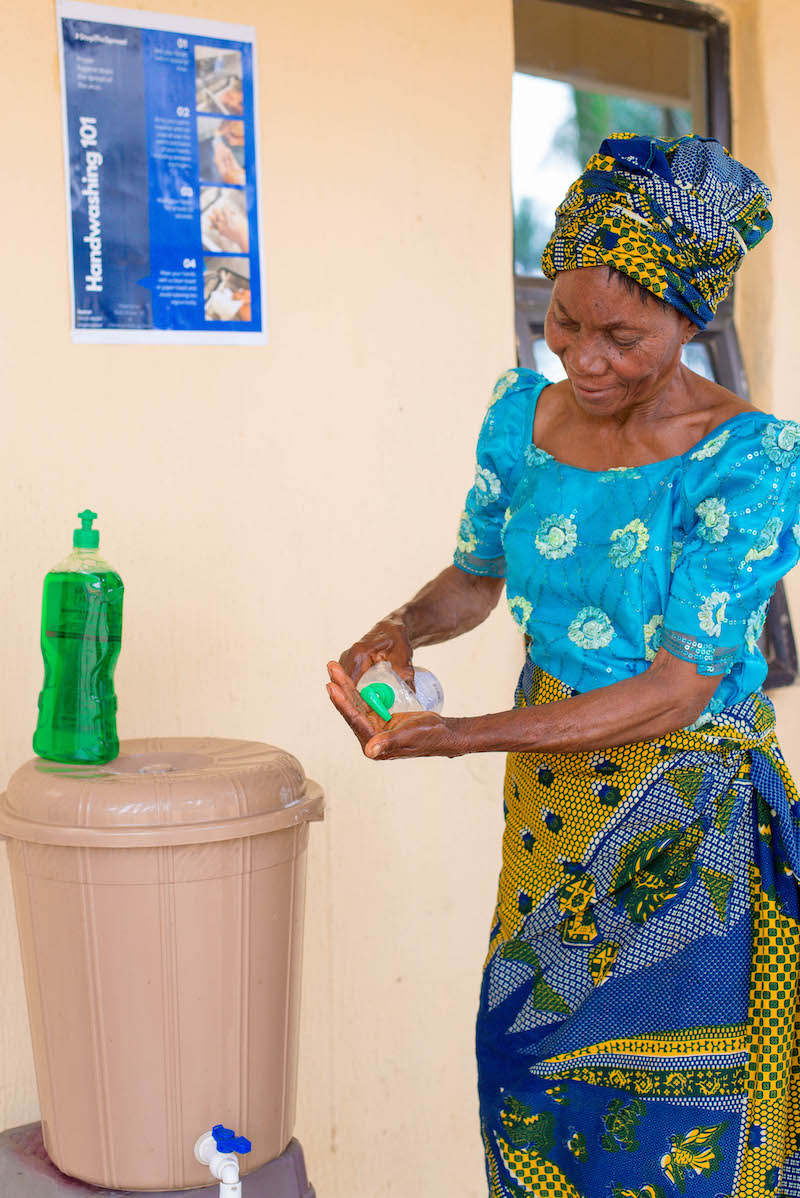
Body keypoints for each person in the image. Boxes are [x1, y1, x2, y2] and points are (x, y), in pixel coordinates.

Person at [327, 133, 800, 1197]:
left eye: (621, 335)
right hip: (550, 815)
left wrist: (454, 736)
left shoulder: (749, 459)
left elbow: (677, 688)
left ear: (689, 321)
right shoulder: (518, 420)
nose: (582, 359)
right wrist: (397, 632)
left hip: (688, 825)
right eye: (563, 321)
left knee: (675, 1113)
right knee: (528, 1073)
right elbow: (472, 578)